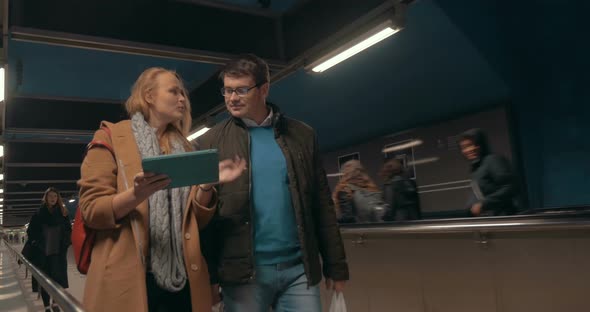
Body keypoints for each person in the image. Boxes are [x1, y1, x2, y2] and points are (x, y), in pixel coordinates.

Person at [78, 67, 246, 312]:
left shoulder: (185, 149)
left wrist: (207, 184)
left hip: (183, 278)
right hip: (131, 280)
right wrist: (136, 195)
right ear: (149, 96)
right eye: (174, 91)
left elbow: (195, 223)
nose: (182, 99)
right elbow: (92, 210)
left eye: (184, 94)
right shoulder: (110, 137)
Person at [198, 54, 349, 312]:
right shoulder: (210, 142)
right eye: (227, 90)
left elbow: (321, 204)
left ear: (264, 89)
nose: (232, 98)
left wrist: (336, 265)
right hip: (243, 274)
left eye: (241, 90)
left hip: (299, 270)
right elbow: (206, 223)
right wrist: (210, 278)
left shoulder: (302, 136)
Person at [26, 187, 72, 311]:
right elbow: (31, 231)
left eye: (55, 196)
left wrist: (66, 242)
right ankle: (47, 305)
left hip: (58, 252)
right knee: (45, 280)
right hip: (42, 252)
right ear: (46, 198)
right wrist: (36, 242)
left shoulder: (63, 213)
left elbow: (68, 230)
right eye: (50, 196)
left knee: (57, 279)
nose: (53, 198)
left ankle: (55, 303)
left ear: (58, 198)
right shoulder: (39, 213)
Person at [459, 128, 518, 216]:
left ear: (480, 144)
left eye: (472, 144)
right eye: (464, 147)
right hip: (491, 218)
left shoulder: (493, 160)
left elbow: (511, 187)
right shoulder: (476, 167)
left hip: (505, 217)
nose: (469, 149)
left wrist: (484, 204)